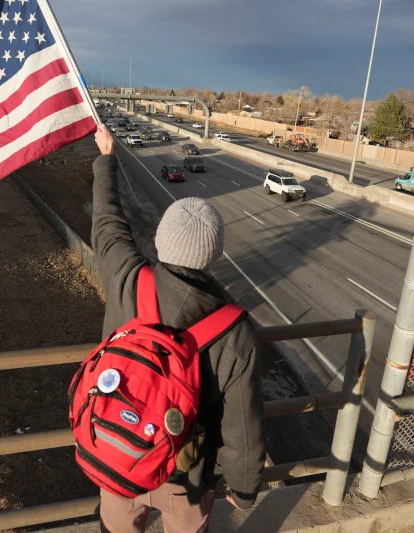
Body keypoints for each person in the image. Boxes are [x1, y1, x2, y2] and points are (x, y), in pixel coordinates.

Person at [90, 124, 266, 532]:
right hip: (185, 476)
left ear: (160, 239)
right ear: (215, 253)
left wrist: (106, 159)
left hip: (118, 453)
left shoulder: (127, 276)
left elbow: (106, 224)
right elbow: (242, 423)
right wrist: (243, 490)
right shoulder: (235, 331)